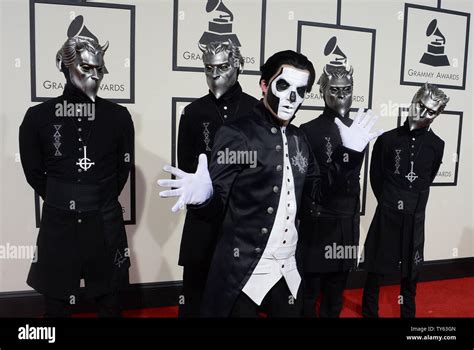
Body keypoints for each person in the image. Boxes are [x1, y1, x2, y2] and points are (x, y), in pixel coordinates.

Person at [158, 50, 382, 317]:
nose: (291, 97)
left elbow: (319, 195)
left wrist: (348, 155)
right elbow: (216, 211)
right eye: (283, 85)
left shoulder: (300, 139)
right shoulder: (236, 134)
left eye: (300, 91)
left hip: (288, 272)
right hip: (242, 272)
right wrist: (204, 198)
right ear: (264, 85)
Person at [19, 16, 134, 317]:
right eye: (86, 68)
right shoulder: (37, 117)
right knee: (56, 305)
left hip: (105, 219)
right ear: (64, 66)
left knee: (110, 302)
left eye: (99, 69)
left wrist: (97, 199)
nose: (94, 76)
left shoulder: (119, 117)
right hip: (59, 222)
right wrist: (65, 199)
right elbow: (34, 173)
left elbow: (123, 169)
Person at [177, 40, 258, 317]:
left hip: (244, 221)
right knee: (195, 297)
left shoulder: (257, 111)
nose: (215, 74)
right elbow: (187, 169)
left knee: (240, 301)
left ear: (239, 65)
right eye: (208, 68)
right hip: (202, 222)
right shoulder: (192, 113)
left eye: (222, 66)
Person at [361, 83, 448, 318]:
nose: (424, 113)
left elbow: (427, 178)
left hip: (415, 215)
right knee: (375, 266)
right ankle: (369, 311)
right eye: (421, 105)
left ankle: (407, 314)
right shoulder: (387, 139)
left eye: (431, 111)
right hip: (387, 211)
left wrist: (410, 203)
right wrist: (391, 200)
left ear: (437, 115)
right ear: (413, 100)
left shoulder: (437, 145)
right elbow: (376, 176)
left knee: (412, 269)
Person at [299, 65, 364, 317]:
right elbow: (307, 184)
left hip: (347, 222)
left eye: (346, 90)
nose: (341, 96)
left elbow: (355, 181)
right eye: (334, 90)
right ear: (323, 91)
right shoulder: (308, 130)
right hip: (318, 223)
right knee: (309, 293)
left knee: (336, 294)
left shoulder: (359, 129)